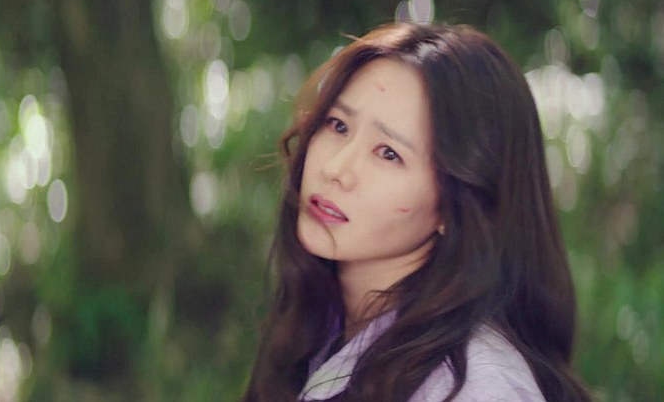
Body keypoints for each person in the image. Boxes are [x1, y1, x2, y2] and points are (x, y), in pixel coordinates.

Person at [241, 23, 591, 401]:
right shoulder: (315, 331)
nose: (336, 169)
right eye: (338, 125)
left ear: (454, 204)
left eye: (388, 153)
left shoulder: (474, 387)